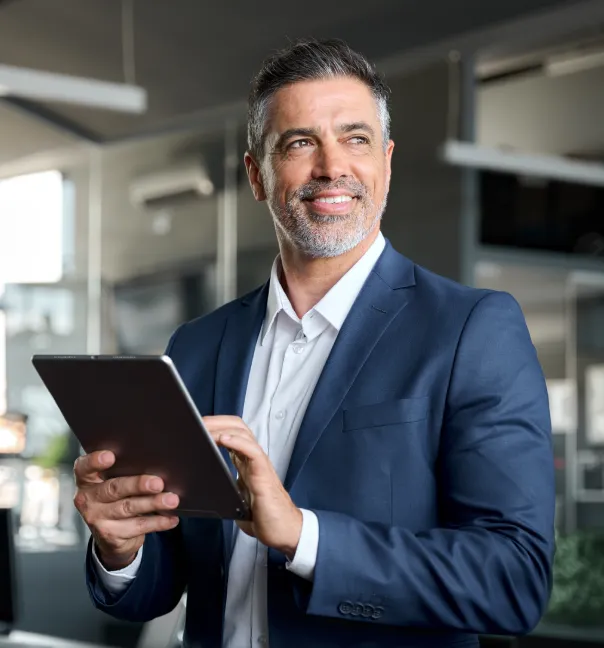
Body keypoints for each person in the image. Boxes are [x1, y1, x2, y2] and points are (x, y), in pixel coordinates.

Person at [75, 38, 555, 648]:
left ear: (386, 160)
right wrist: (121, 547)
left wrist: (305, 537)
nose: (332, 166)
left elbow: (513, 580)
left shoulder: (471, 330)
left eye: (355, 139)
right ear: (257, 175)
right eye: (300, 143)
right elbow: (164, 583)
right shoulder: (197, 345)